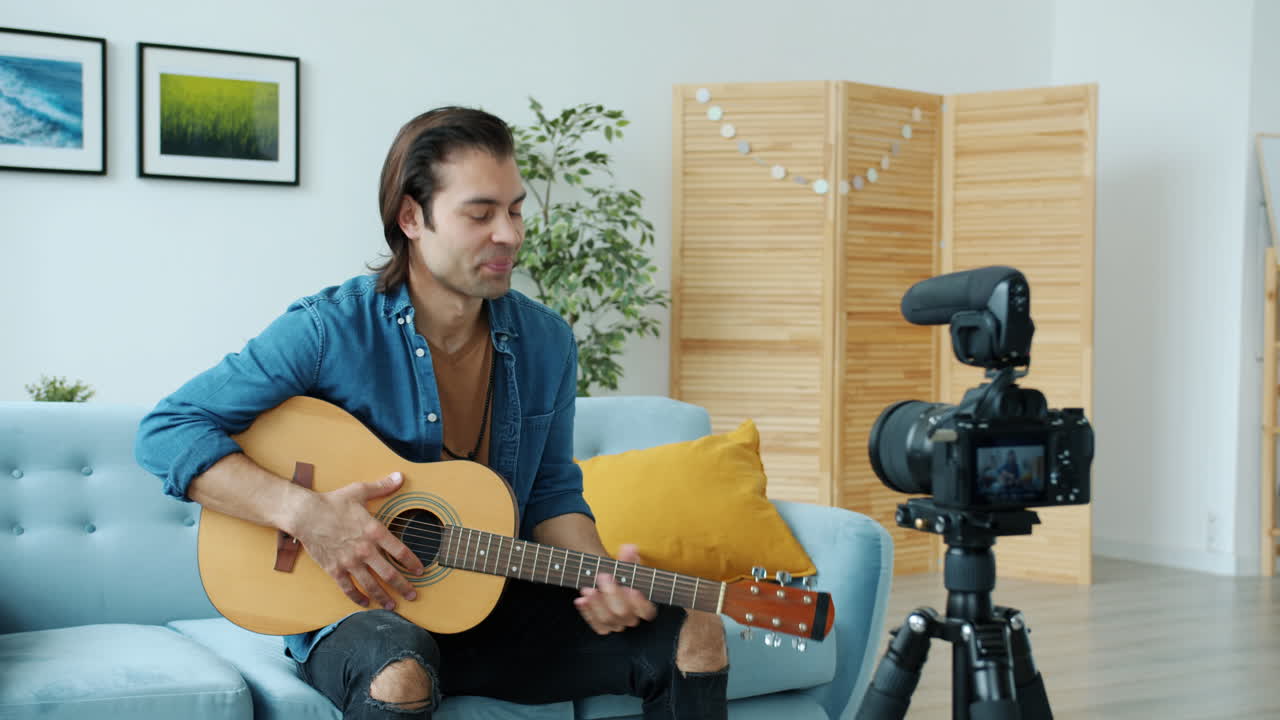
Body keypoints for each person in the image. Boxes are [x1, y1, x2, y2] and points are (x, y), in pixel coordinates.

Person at [135, 106, 729, 719]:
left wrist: (599, 575)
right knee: (399, 671)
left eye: (516, 209)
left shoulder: (546, 342)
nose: (510, 233)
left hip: (491, 598)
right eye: (480, 214)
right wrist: (307, 513)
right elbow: (167, 431)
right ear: (412, 217)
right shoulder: (327, 329)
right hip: (354, 612)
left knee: (696, 632)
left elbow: (551, 492)